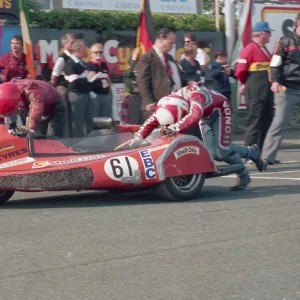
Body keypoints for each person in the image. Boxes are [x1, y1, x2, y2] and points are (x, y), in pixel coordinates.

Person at [129, 85, 265, 190]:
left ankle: (243, 175)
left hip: (220, 110)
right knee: (212, 154)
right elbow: (154, 119)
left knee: (222, 150)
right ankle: (251, 152)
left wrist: (174, 128)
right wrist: (138, 137)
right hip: (205, 117)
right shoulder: (170, 103)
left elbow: (194, 116)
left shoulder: (195, 96)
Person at [262, 13, 300, 169]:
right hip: (287, 87)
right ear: (298, 23)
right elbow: (275, 63)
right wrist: (275, 81)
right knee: (279, 123)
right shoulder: (285, 41)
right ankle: (265, 158)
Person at [235, 22, 274, 158]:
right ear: (262, 33)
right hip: (255, 91)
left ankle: (260, 152)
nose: (270, 35)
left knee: (267, 120)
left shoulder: (265, 50)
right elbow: (240, 70)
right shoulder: (249, 49)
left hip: (267, 91)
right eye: (268, 32)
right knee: (255, 121)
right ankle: (249, 153)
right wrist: (245, 83)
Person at [136, 28, 183, 122]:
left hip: (173, 105)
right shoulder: (147, 58)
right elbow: (142, 82)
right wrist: (149, 101)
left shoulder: (169, 58)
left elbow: (176, 77)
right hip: (155, 107)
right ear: (161, 40)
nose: (172, 47)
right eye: (170, 43)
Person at [0, 79, 67, 137]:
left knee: (52, 140)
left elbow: (36, 108)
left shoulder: (31, 89)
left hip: (55, 106)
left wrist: (30, 128)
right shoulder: (7, 92)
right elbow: (5, 115)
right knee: (38, 141)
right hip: (39, 109)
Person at [87, 42, 112, 126]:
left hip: (106, 95)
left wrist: (110, 91)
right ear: (91, 54)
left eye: (101, 52)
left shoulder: (104, 64)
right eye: (96, 52)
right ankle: (95, 137)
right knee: (95, 119)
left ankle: (105, 137)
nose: (99, 54)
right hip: (95, 95)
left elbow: (108, 78)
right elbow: (90, 79)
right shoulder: (89, 65)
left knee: (106, 119)